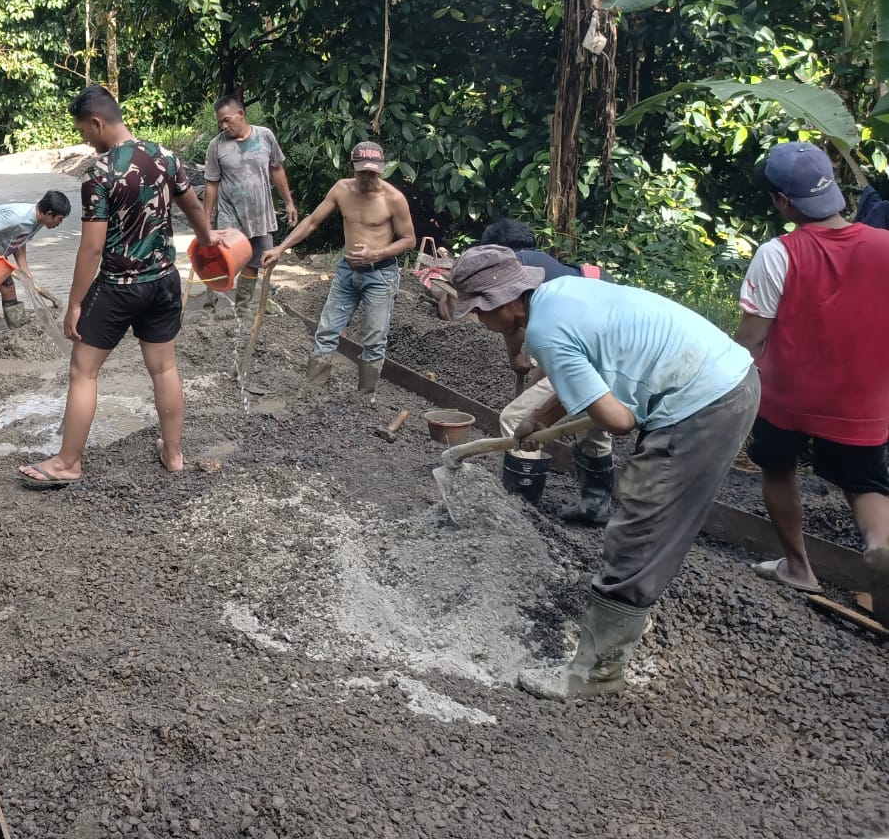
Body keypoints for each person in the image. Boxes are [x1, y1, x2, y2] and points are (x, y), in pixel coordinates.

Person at [450, 245, 759, 699]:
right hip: (727, 376)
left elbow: (618, 420)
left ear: (505, 302)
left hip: (703, 402)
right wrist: (545, 417)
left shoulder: (545, 333)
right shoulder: (561, 292)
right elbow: (595, 366)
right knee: (652, 517)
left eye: (478, 311)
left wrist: (560, 418)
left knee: (641, 523)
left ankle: (596, 671)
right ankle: (630, 611)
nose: (479, 321)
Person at [19, 85, 215, 486]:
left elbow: (91, 248)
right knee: (164, 367)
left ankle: (68, 463)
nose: (85, 139)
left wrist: (75, 305)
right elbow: (193, 207)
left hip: (117, 287)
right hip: (163, 281)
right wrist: (211, 243)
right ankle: (174, 453)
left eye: (83, 131)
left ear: (97, 122)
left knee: (83, 372)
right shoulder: (166, 157)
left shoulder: (99, 174)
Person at [734, 141, 889, 591]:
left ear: (782, 201)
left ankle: (799, 568)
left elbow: (751, 339)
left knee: (778, 468)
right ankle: (880, 545)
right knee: (866, 485)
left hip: (788, 398)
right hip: (863, 399)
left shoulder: (777, 253)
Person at [481, 218, 614, 525]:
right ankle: (595, 506)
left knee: (516, 419)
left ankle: (519, 513)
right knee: (588, 420)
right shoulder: (551, 267)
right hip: (608, 349)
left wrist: (516, 356)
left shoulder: (515, 268)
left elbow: (513, 321)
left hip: (587, 351)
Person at [263, 141, 415, 406]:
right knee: (327, 329)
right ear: (351, 168)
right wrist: (281, 248)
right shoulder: (341, 190)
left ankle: (364, 398)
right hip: (347, 273)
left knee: (375, 336)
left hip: (379, 275)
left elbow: (409, 240)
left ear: (381, 169)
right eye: (362, 172)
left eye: (373, 172)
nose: (368, 177)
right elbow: (312, 221)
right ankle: (313, 391)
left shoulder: (393, 198)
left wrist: (376, 254)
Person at [202, 94, 297, 317]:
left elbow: (277, 169)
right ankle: (209, 310)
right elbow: (211, 184)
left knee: (254, 261)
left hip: (261, 214)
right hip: (230, 216)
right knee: (220, 261)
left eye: (227, 120)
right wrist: (206, 219)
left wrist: (289, 202)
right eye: (220, 122)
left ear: (241, 114)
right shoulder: (216, 146)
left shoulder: (265, 136)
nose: (223, 126)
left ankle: (243, 309)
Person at [0, 191, 72, 344]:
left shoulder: (38, 221)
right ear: (49, 213)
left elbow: (19, 241)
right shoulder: (16, 217)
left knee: (9, 290)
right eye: (60, 219)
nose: (60, 223)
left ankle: (18, 337)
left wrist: (25, 272)